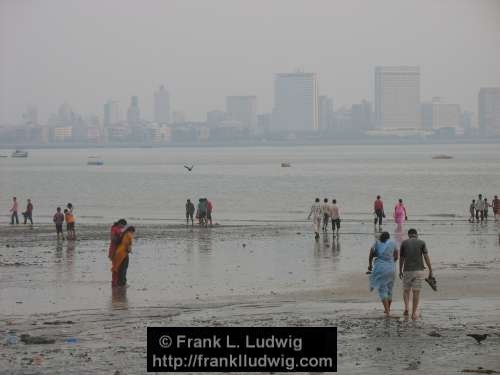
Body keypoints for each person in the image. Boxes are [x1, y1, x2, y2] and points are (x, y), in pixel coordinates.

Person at [399, 228, 433, 321]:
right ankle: (413, 313)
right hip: (418, 271)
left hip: (407, 270)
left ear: (409, 235)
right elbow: (426, 257)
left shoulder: (404, 243)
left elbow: (401, 258)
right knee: (416, 292)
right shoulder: (422, 243)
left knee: (406, 290)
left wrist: (400, 270)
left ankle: (406, 308)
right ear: (416, 234)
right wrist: (430, 269)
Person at [368, 231, 398, 317]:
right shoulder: (393, 243)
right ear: (388, 237)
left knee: (382, 290)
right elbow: (396, 256)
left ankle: (387, 311)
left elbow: (371, 254)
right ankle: (388, 309)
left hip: (380, 268)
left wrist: (370, 265)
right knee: (390, 289)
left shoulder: (377, 243)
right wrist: (390, 261)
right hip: (391, 268)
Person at [109, 219, 128, 287]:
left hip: (119, 251)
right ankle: (114, 282)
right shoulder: (114, 229)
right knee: (115, 267)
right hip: (114, 250)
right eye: (123, 225)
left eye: (124, 226)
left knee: (119, 267)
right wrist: (120, 239)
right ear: (120, 223)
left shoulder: (119, 229)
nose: (123, 227)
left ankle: (117, 282)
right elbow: (112, 238)